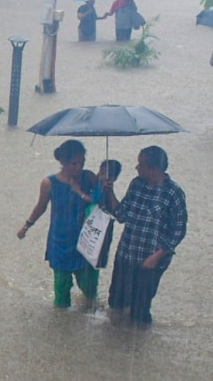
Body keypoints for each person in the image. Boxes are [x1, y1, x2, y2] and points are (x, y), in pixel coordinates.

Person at [102, 146, 187, 328]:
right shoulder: (136, 184)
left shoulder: (173, 194)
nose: (136, 168)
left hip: (150, 262)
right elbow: (122, 215)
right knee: (116, 304)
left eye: (141, 165)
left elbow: (178, 231)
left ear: (154, 169)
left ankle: (139, 345)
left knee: (139, 313)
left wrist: (157, 256)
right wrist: (110, 192)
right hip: (126, 255)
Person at [17, 139, 99, 308]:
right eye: (74, 163)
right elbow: (41, 207)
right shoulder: (49, 183)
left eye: (82, 162)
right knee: (61, 290)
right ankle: (61, 327)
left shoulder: (89, 178)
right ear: (63, 162)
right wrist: (27, 225)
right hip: (60, 241)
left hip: (85, 241)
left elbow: (101, 200)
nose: (79, 167)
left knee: (89, 287)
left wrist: (104, 182)